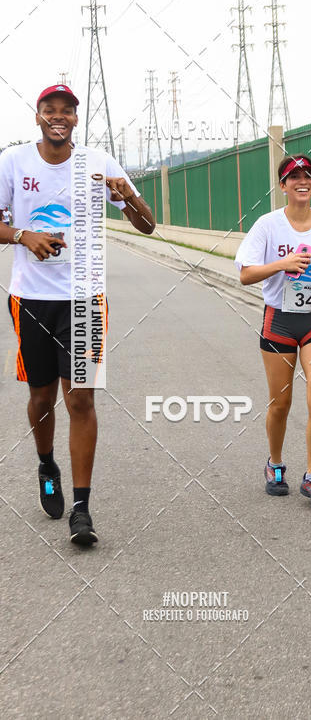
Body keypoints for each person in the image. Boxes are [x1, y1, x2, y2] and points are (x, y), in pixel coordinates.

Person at [0, 84, 155, 545]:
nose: (59, 117)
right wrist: (23, 235)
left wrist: (127, 196)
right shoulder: (13, 161)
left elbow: (147, 224)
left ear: (74, 119)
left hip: (86, 297)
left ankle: (82, 509)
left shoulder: (97, 163)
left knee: (81, 399)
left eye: (67, 110)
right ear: (38, 116)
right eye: (51, 109)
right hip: (31, 299)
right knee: (43, 398)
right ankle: (47, 464)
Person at [235, 154, 311, 509]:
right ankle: (275, 464)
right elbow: (245, 274)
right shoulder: (267, 225)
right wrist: (282, 264)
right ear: (282, 185)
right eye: (294, 176)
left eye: (309, 175)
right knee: (281, 403)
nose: (302, 181)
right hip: (278, 320)